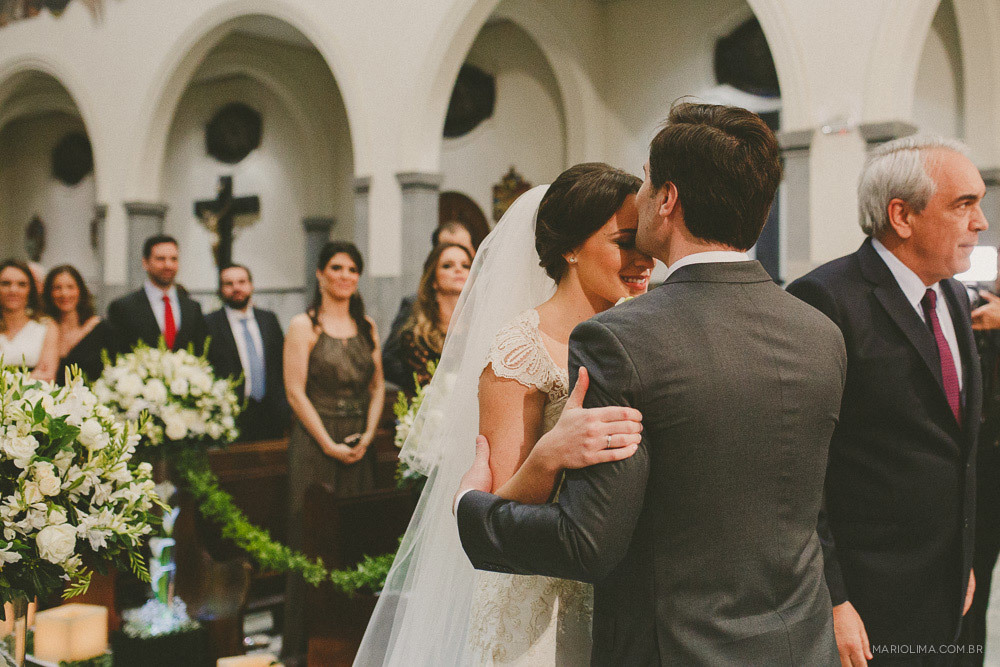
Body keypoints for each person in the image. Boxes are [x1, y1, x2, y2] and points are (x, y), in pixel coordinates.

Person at [454, 103, 846, 665]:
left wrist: (470, 505)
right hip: (799, 643)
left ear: (668, 199)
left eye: (644, 181)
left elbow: (587, 543)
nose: (638, 200)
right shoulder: (821, 334)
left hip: (677, 648)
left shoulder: (622, 340)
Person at [356, 163, 660, 665]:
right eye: (624, 243)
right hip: (541, 601)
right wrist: (548, 457)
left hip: (627, 599)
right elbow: (498, 512)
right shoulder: (521, 350)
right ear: (570, 248)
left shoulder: (639, 335)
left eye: (646, 244)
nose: (643, 260)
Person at [787, 136, 985, 665]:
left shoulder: (954, 295)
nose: (981, 222)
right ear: (901, 215)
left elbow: (953, 446)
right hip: (866, 599)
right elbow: (802, 466)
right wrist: (834, 597)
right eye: (964, 205)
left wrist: (961, 556)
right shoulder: (826, 299)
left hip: (946, 586)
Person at [282, 241, 385, 665]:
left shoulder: (368, 326)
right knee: (311, 538)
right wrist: (326, 442)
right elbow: (293, 389)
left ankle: (353, 641)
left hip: (360, 440)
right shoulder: (303, 326)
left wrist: (368, 435)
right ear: (321, 274)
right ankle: (303, 644)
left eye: (352, 269)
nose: (345, 276)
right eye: (336, 268)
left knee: (355, 538)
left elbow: (378, 386)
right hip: (315, 441)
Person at [382, 221, 476, 387]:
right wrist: (421, 389)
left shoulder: (480, 316)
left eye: (465, 265)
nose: (458, 270)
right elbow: (389, 360)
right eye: (448, 265)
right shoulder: (416, 327)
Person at [205, 264, 289, 442]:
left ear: (251, 285)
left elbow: (281, 364)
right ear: (220, 289)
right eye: (229, 283)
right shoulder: (210, 324)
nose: (236, 288)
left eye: (242, 282)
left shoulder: (268, 319)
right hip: (231, 416)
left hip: (271, 414)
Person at [107, 234, 207, 354]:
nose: (168, 265)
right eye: (160, 259)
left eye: (173, 259)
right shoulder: (123, 307)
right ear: (145, 263)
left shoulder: (192, 308)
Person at [42, 265, 117, 383]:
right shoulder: (43, 329)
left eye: (70, 287)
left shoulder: (101, 329)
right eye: (57, 288)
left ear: (80, 291)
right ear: (49, 293)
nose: (64, 294)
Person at [0, 259, 58, 381]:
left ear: (30, 290)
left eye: (21, 284)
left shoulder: (46, 326)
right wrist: (32, 376)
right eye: (6, 283)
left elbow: (47, 376)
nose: (13, 290)